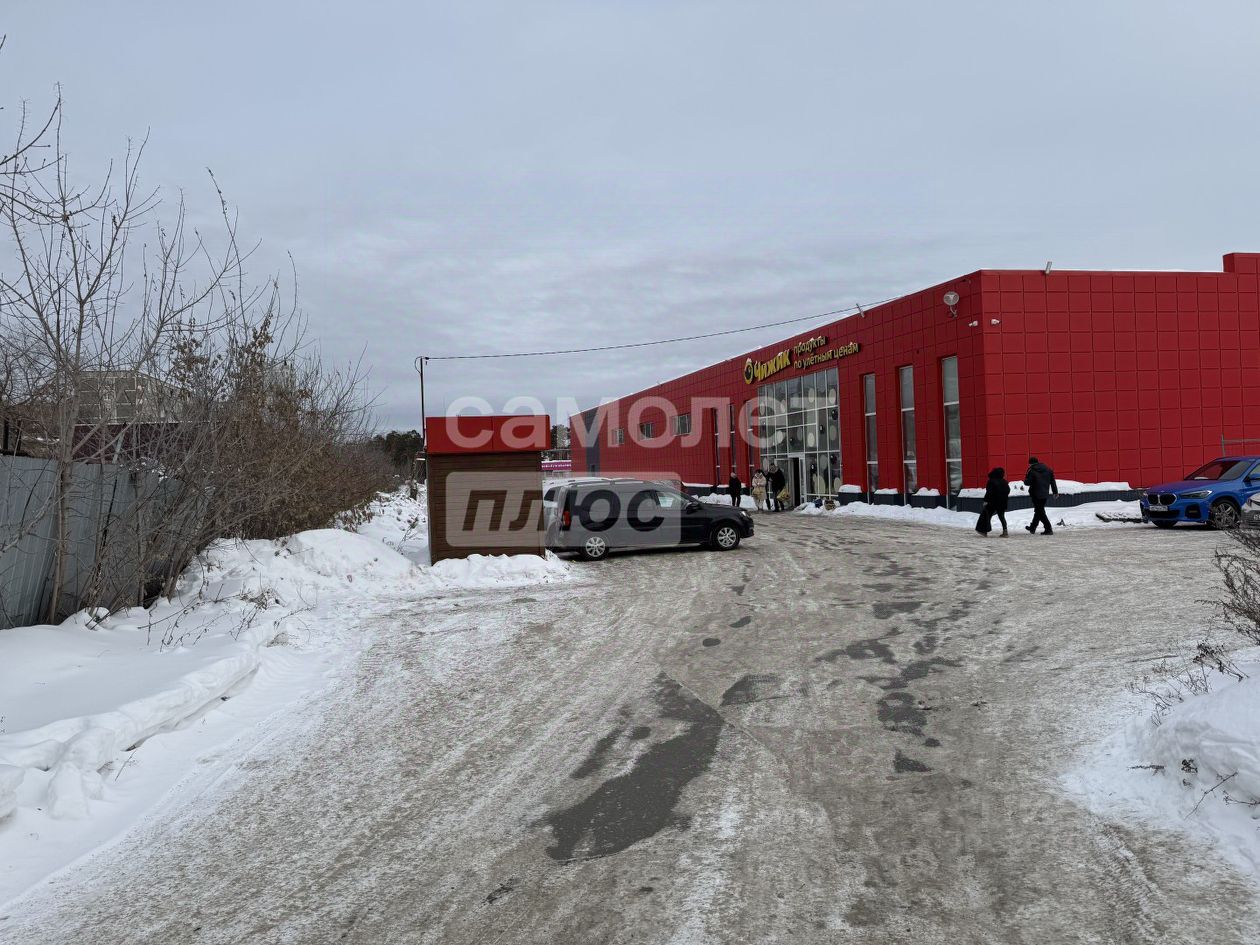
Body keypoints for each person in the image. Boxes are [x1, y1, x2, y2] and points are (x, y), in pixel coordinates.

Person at [1024, 456, 1059, 535]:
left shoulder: (1031, 470)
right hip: (1044, 494)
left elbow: (1027, 482)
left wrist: (1026, 478)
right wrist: (1055, 492)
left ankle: (1048, 528)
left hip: (1035, 494)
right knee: (1038, 510)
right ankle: (1033, 527)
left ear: (1030, 464)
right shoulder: (1048, 469)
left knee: (1040, 512)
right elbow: (1052, 481)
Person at [975, 467, 1011, 537]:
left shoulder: (991, 481)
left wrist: (985, 500)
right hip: (1002, 502)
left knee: (987, 516)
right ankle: (1005, 531)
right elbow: (1008, 491)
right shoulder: (1004, 481)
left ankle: (984, 531)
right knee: (1001, 516)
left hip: (992, 502)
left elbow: (989, 492)